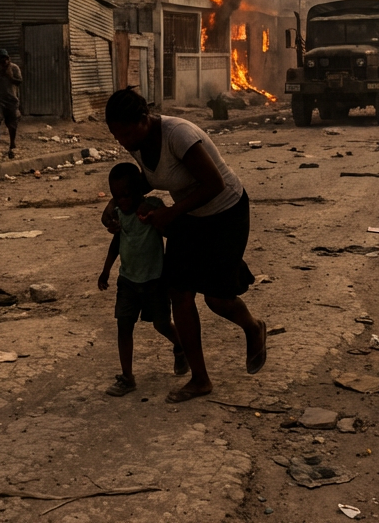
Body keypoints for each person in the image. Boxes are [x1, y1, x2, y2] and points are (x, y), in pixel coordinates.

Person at [103, 87, 266, 403]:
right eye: (115, 134)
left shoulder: (178, 134)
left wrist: (170, 213)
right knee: (180, 293)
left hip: (225, 212)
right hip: (188, 216)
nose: (120, 140)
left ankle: (253, 327)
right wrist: (115, 206)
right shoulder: (137, 143)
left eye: (123, 132)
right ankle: (200, 379)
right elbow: (148, 180)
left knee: (218, 300)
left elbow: (214, 184)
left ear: (143, 120)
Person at [97, 162, 188, 396]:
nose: (122, 201)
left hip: (154, 280)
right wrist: (106, 270)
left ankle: (180, 347)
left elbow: (171, 230)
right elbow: (116, 243)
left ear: (140, 192)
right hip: (127, 280)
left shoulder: (152, 207)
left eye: (126, 195)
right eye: (116, 197)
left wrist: (154, 217)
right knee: (124, 325)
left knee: (161, 324)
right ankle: (127, 377)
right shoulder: (119, 215)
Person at [0, 48, 22, 157]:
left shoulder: (14, 68)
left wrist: (10, 77)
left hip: (12, 99)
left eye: (6, 59)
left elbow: (19, 81)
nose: (4, 61)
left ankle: (12, 143)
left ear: (9, 59)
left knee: (12, 123)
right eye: (2, 59)